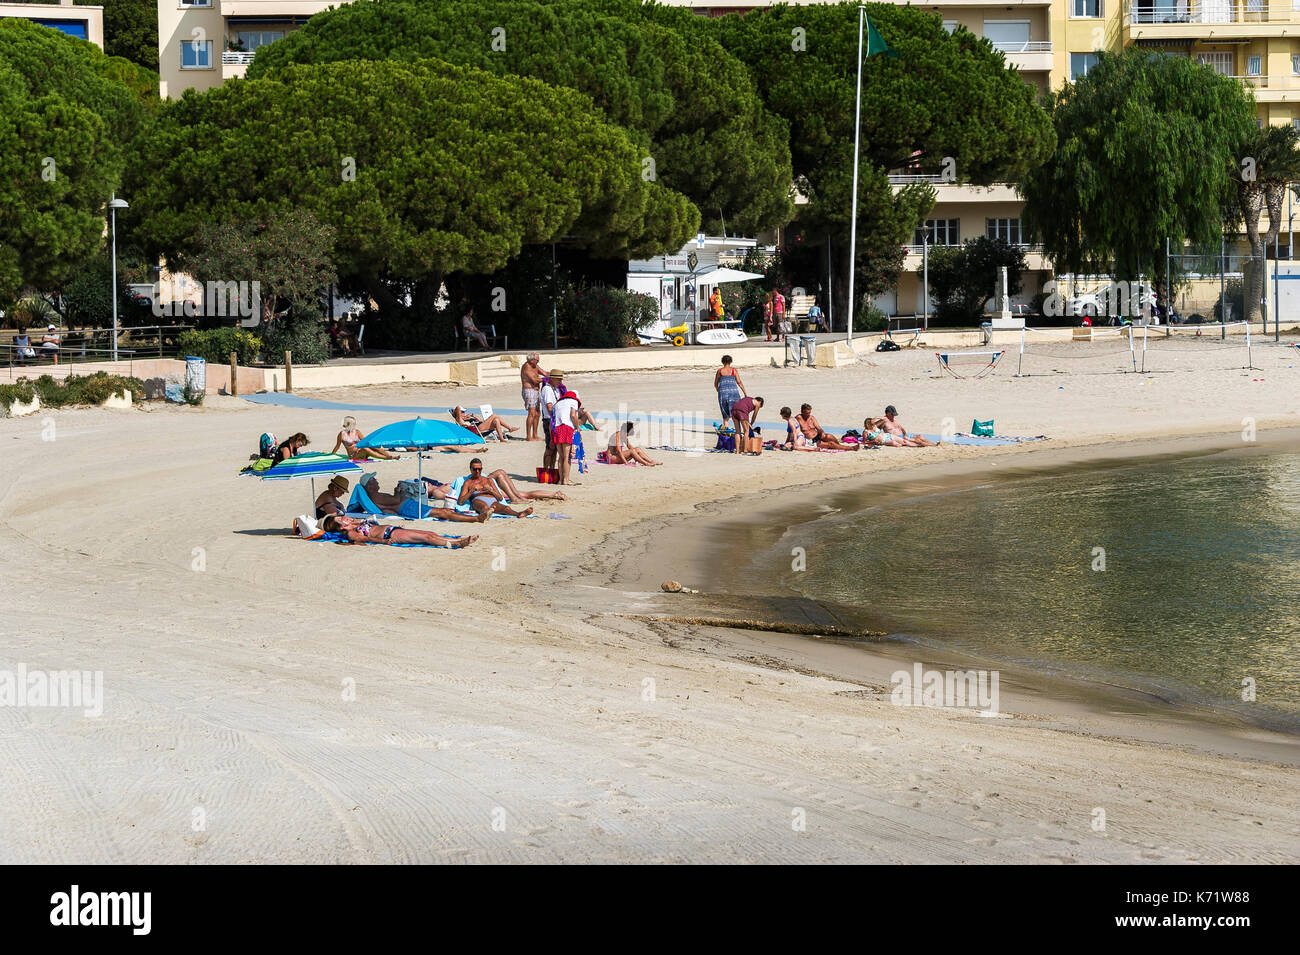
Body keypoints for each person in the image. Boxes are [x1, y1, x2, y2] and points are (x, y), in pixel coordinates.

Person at [358, 474, 484, 522]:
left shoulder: (375, 496)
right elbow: (396, 501)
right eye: (374, 479)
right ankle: (476, 519)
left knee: (443, 512)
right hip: (407, 508)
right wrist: (400, 493)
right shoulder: (376, 496)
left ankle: (475, 518)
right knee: (443, 512)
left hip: (407, 506)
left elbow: (392, 503)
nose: (377, 480)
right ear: (369, 484)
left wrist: (398, 492)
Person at [321, 515, 477, 548]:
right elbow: (364, 540)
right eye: (341, 520)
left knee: (429, 533)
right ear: (340, 527)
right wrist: (383, 541)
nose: (344, 518)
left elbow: (366, 523)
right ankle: (457, 544)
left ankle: (457, 541)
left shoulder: (354, 524)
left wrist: (352, 522)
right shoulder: (350, 533)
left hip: (393, 529)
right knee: (427, 537)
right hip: (391, 535)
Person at [550, 375, 595, 486]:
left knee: (560, 457)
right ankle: (566, 480)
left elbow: (553, 418)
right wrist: (578, 427)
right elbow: (573, 415)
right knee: (567, 457)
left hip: (556, 429)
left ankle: (560, 480)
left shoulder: (558, 403)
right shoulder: (573, 401)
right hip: (566, 428)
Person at [457, 459, 534, 518]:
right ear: (470, 469)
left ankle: (519, 514)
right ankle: (486, 513)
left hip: (492, 500)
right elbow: (460, 501)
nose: (477, 471)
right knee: (484, 507)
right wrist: (472, 491)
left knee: (506, 509)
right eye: (475, 469)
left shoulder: (489, 480)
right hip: (477, 500)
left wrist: (490, 490)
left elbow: (500, 498)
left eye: (479, 469)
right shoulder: (468, 482)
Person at [330, 416, 400, 460]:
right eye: (353, 423)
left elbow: (365, 441)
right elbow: (337, 446)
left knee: (373, 446)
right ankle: (388, 458)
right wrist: (331, 455)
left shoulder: (357, 432)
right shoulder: (342, 434)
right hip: (354, 455)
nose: (355, 425)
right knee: (365, 448)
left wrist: (371, 445)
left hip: (361, 452)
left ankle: (389, 456)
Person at [870, 405, 940, 447]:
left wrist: (905, 434)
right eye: (892, 414)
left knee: (920, 436)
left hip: (903, 435)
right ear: (888, 413)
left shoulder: (893, 419)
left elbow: (901, 428)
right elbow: (872, 426)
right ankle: (934, 445)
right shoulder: (883, 421)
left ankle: (933, 443)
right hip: (897, 438)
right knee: (918, 440)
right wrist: (877, 417)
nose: (893, 415)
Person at [452, 405, 519, 441]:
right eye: (462, 412)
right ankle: (510, 428)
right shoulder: (459, 420)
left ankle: (501, 439)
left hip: (480, 428)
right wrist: (460, 415)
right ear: (458, 413)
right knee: (494, 415)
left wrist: (474, 416)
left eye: (464, 411)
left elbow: (482, 422)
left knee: (496, 420)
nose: (464, 413)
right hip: (475, 431)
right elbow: (458, 407)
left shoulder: (469, 418)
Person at [521, 353, 547, 442]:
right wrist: (547, 379)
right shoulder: (527, 367)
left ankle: (535, 435)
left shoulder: (535, 366)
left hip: (536, 391)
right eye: (537, 360)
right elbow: (534, 380)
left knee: (537, 413)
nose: (538, 361)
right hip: (529, 391)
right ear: (531, 360)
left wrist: (554, 375)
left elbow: (544, 373)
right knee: (531, 413)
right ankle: (528, 436)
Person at [713, 354, 747, 421]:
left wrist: (718, 390)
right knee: (736, 410)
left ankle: (726, 428)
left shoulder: (719, 371)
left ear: (722, 362)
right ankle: (738, 429)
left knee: (725, 412)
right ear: (730, 362)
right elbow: (739, 382)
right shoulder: (734, 370)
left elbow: (716, 383)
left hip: (723, 393)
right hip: (733, 393)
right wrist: (745, 393)